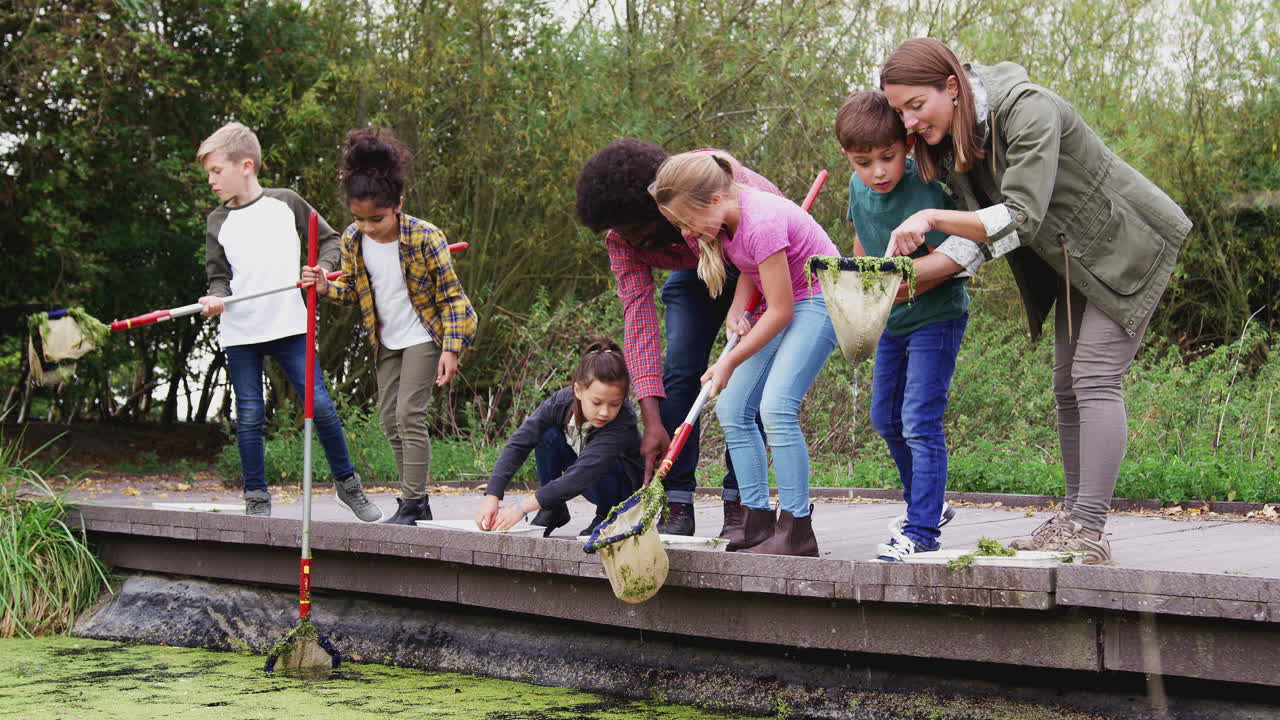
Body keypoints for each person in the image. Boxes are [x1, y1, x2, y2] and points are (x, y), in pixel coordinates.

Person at [880, 38, 1192, 564]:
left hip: (1128, 245)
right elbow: (982, 236)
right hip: (1074, 261)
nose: (908, 122)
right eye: (898, 111)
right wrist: (903, 279)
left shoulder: (1028, 109)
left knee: (1094, 377)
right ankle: (1074, 518)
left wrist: (928, 219)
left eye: (916, 105)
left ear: (952, 87)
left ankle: (1090, 531)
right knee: (1066, 384)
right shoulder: (957, 138)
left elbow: (1020, 216)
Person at [574, 140, 779, 537]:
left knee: (745, 372)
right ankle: (677, 501)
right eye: (621, 232)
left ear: (657, 203)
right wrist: (652, 421)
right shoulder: (622, 241)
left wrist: (738, 338)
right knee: (681, 367)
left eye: (636, 228)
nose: (631, 240)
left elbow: (773, 212)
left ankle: (741, 505)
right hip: (698, 273)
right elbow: (639, 325)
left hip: (756, 261)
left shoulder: (707, 177)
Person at [649, 151, 839, 557]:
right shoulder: (727, 221)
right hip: (784, 298)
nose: (684, 232)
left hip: (821, 298)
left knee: (776, 408)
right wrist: (737, 312)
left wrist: (728, 361)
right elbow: (754, 273)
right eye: (677, 224)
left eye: (686, 221)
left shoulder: (763, 219)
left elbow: (783, 310)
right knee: (732, 408)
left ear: (715, 201)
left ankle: (796, 528)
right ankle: (754, 520)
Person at [196, 122, 380, 521]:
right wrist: (217, 299)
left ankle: (349, 487)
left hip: (289, 326)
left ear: (246, 166)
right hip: (241, 332)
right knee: (249, 415)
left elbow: (331, 241)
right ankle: (256, 499)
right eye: (208, 173)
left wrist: (320, 269)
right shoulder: (217, 221)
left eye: (216, 171)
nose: (210, 181)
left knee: (322, 407)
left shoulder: (287, 203)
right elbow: (218, 277)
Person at [302, 127, 477, 526]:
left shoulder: (425, 237)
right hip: (386, 340)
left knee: (409, 414)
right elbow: (353, 291)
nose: (368, 227)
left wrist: (451, 348)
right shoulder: (352, 240)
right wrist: (326, 285)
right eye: (359, 219)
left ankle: (412, 502)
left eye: (376, 219)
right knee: (388, 420)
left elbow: (454, 299)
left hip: (424, 334)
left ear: (398, 203)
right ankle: (417, 500)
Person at [835, 90, 971, 561]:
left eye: (888, 158)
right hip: (892, 320)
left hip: (936, 318)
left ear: (907, 147)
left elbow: (951, 260)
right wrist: (859, 284)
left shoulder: (927, 186)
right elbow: (861, 238)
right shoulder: (858, 188)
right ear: (847, 159)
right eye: (863, 162)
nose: (878, 172)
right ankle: (929, 505)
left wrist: (897, 286)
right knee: (885, 418)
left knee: (919, 421)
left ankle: (922, 531)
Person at [475, 339, 642, 537]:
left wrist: (521, 508)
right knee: (548, 435)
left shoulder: (623, 421)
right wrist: (492, 495)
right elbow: (520, 442)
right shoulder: (561, 402)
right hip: (588, 479)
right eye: (596, 402)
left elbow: (582, 474)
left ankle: (608, 515)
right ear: (578, 390)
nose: (605, 412)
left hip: (622, 491)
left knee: (600, 460)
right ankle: (553, 508)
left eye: (614, 404)